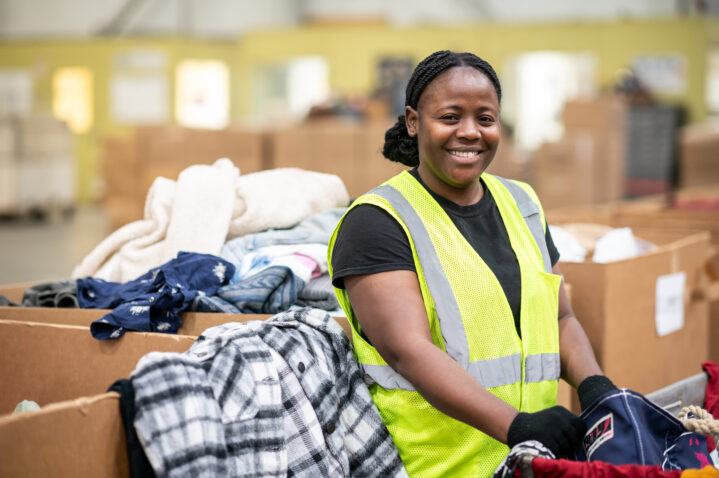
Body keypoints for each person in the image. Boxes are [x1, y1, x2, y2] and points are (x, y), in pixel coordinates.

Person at [327, 50, 617, 477]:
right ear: (413, 121)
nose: (470, 133)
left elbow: (560, 317)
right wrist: (516, 426)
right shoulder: (377, 222)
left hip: (531, 463)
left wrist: (596, 388)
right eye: (449, 117)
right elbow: (408, 351)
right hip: (441, 468)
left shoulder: (522, 203)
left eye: (485, 118)